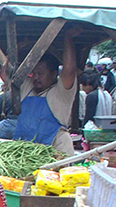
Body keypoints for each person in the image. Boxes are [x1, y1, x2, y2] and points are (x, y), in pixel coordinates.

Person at [8, 27, 81, 155]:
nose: (36, 77)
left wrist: (67, 38)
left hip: (57, 151)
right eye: (34, 73)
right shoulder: (27, 88)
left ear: (54, 74)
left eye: (40, 73)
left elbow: (69, 70)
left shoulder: (61, 93)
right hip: (27, 152)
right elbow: (5, 73)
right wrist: (18, 48)